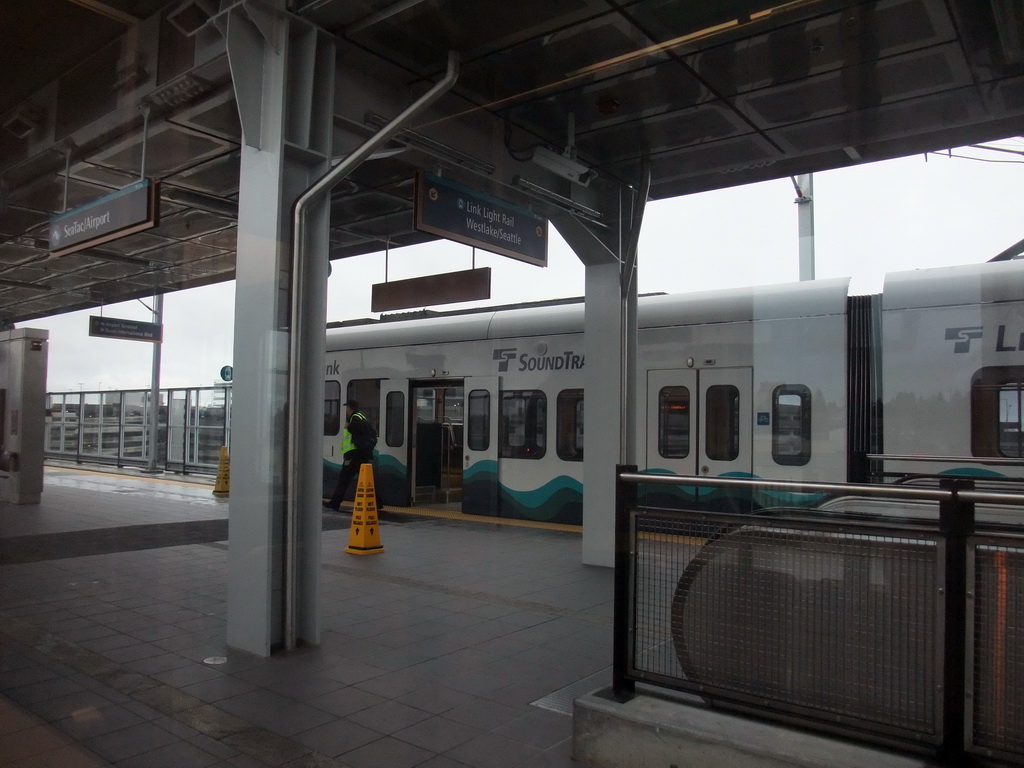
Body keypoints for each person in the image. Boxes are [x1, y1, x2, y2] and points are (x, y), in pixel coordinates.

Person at [324, 400, 377, 511]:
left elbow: (357, 429)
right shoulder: (362, 416)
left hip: (353, 456)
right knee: (366, 480)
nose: (346, 410)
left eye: (347, 407)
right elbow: (372, 432)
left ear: (350, 408)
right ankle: (377, 502)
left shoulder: (354, 418)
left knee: (343, 480)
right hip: (361, 454)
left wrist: (349, 426)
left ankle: (335, 503)